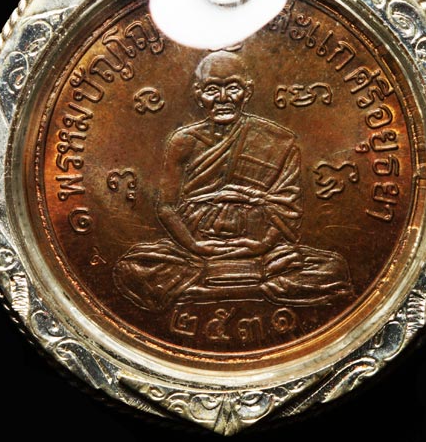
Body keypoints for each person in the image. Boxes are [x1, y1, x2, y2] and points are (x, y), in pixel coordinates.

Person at [113, 50, 353, 311]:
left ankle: (215, 287)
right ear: (198, 94)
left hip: (262, 250)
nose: (223, 98)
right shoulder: (183, 141)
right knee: (132, 269)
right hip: (193, 249)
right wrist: (195, 245)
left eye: (233, 88)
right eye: (212, 89)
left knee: (333, 269)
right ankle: (257, 286)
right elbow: (166, 206)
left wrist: (259, 245)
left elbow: (287, 207)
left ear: (247, 92)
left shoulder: (278, 140)